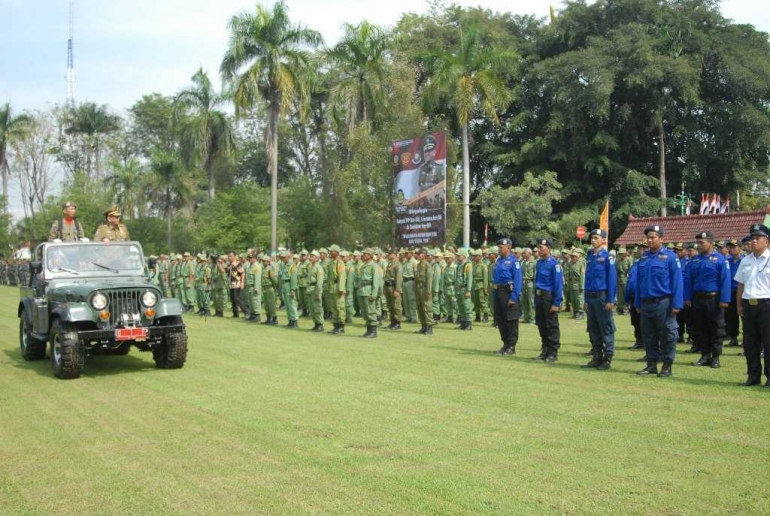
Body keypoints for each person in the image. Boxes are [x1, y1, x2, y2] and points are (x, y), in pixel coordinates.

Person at [634, 225, 683, 378]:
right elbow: (639, 282)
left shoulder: (670, 257)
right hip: (646, 302)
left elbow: (677, 281)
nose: (649, 240)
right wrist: (637, 302)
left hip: (663, 302)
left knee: (667, 335)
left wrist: (677, 304)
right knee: (648, 335)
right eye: (648, 237)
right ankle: (651, 364)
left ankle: (667, 366)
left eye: (653, 237)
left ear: (661, 239)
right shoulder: (644, 257)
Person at [683, 231, 731, 369]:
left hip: (714, 299)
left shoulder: (720, 259)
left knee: (716, 328)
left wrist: (724, 300)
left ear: (711, 243)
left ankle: (715, 357)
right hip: (698, 298)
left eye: (701, 243)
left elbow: (725, 280)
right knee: (701, 327)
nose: (698, 245)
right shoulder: (695, 260)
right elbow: (689, 280)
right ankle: (705, 355)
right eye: (697, 243)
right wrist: (687, 297)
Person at [735, 224, 770, 387]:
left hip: (766, 304)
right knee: (750, 342)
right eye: (752, 238)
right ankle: (753, 376)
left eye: (758, 238)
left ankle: (769, 377)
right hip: (749, 305)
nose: (754, 241)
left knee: (768, 342)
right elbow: (741, 285)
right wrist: (739, 305)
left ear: (767, 241)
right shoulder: (745, 260)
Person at [582, 229, 617, 370]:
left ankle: (607, 358)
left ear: (603, 240)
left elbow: (612, 280)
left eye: (596, 238)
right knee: (593, 328)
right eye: (592, 238)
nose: (593, 240)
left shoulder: (608, 258)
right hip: (591, 298)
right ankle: (597, 356)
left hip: (602, 298)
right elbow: (587, 280)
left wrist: (611, 300)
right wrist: (585, 299)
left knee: (606, 328)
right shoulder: (590, 257)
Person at [533, 238, 563, 362]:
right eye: (538, 247)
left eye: (541, 247)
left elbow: (558, 284)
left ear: (549, 248)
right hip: (539, 296)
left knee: (551, 325)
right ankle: (545, 350)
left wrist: (557, 302)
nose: (539, 250)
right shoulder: (539, 263)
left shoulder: (554, 264)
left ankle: (553, 352)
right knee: (541, 325)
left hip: (548, 297)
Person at [492, 238, 522, 355]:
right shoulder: (499, 261)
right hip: (499, 292)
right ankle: (505, 344)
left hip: (508, 293)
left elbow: (518, 281)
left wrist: (514, 297)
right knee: (501, 320)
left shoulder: (514, 262)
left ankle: (511, 346)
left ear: (509, 247)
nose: (499, 249)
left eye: (501, 247)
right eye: (498, 247)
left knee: (511, 320)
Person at [725, 239, 743, 347]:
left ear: (740, 248)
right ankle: (733, 337)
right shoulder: (728, 260)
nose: (731, 249)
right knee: (731, 316)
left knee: (744, 315)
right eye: (730, 247)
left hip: (740, 290)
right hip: (730, 290)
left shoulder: (744, 260)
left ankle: (746, 339)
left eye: (734, 247)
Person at [358, 248, 380, 338]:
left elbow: (376, 281)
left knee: (371, 311)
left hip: (369, 291)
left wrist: (374, 294)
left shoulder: (374, 266)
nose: (363, 255)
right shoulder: (363, 265)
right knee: (365, 312)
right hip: (363, 290)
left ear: (370, 255)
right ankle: (368, 330)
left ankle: (373, 331)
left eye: (365, 254)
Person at [414, 248, 434, 334]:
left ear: (424, 255)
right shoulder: (418, 265)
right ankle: (424, 326)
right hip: (419, 288)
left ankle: (429, 327)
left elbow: (429, 279)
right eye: (417, 254)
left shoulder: (427, 265)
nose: (418, 255)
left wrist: (428, 291)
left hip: (425, 288)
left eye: (419, 254)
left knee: (427, 307)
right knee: (419, 307)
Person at [384, 248, 404, 330]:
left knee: (396, 306)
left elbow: (399, 278)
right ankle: (392, 321)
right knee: (390, 305)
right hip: (388, 286)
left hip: (394, 287)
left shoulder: (398, 264)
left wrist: (397, 290)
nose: (388, 255)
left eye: (390, 253)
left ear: (394, 254)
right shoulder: (390, 264)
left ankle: (397, 322)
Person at [307, 250, 325, 332]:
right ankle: (316, 323)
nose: (311, 258)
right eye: (310, 256)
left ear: (317, 258)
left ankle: (320, 324)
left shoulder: (319, 267)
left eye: (313, 256)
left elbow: (319, 281)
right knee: (311, 308)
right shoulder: (310, 267)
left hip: (315, 290)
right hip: (310, 289)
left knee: (317, 308)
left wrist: (318, 292)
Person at [260, 254, 278, 325]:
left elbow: (274, 280)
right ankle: (268, 318)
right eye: (262, 261)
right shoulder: (263, 269)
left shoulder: (270, 269)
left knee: (271, 305)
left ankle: (274, 319)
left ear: (268, 262)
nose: (263, 262)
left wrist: (274, 287)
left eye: (264, 261)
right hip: (264, 289)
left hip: (269, 288)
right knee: (266, 305)